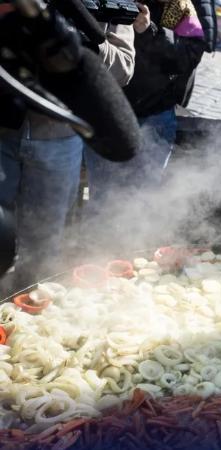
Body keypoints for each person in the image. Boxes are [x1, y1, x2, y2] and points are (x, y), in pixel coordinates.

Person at [0, 21, 135, 290]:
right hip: (3, 132)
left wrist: (77, 46)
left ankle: (25, 313)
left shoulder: (107, 8)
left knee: (42, 247)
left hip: (58, 140)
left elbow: (123, 68)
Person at [83, 0, 208, 254]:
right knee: (102, 203)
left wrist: (148, 30)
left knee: (141, 204)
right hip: (106, 112)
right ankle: (94, 264)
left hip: (154, 118)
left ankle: (131, 266)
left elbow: (187, 57)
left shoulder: (181, 8)